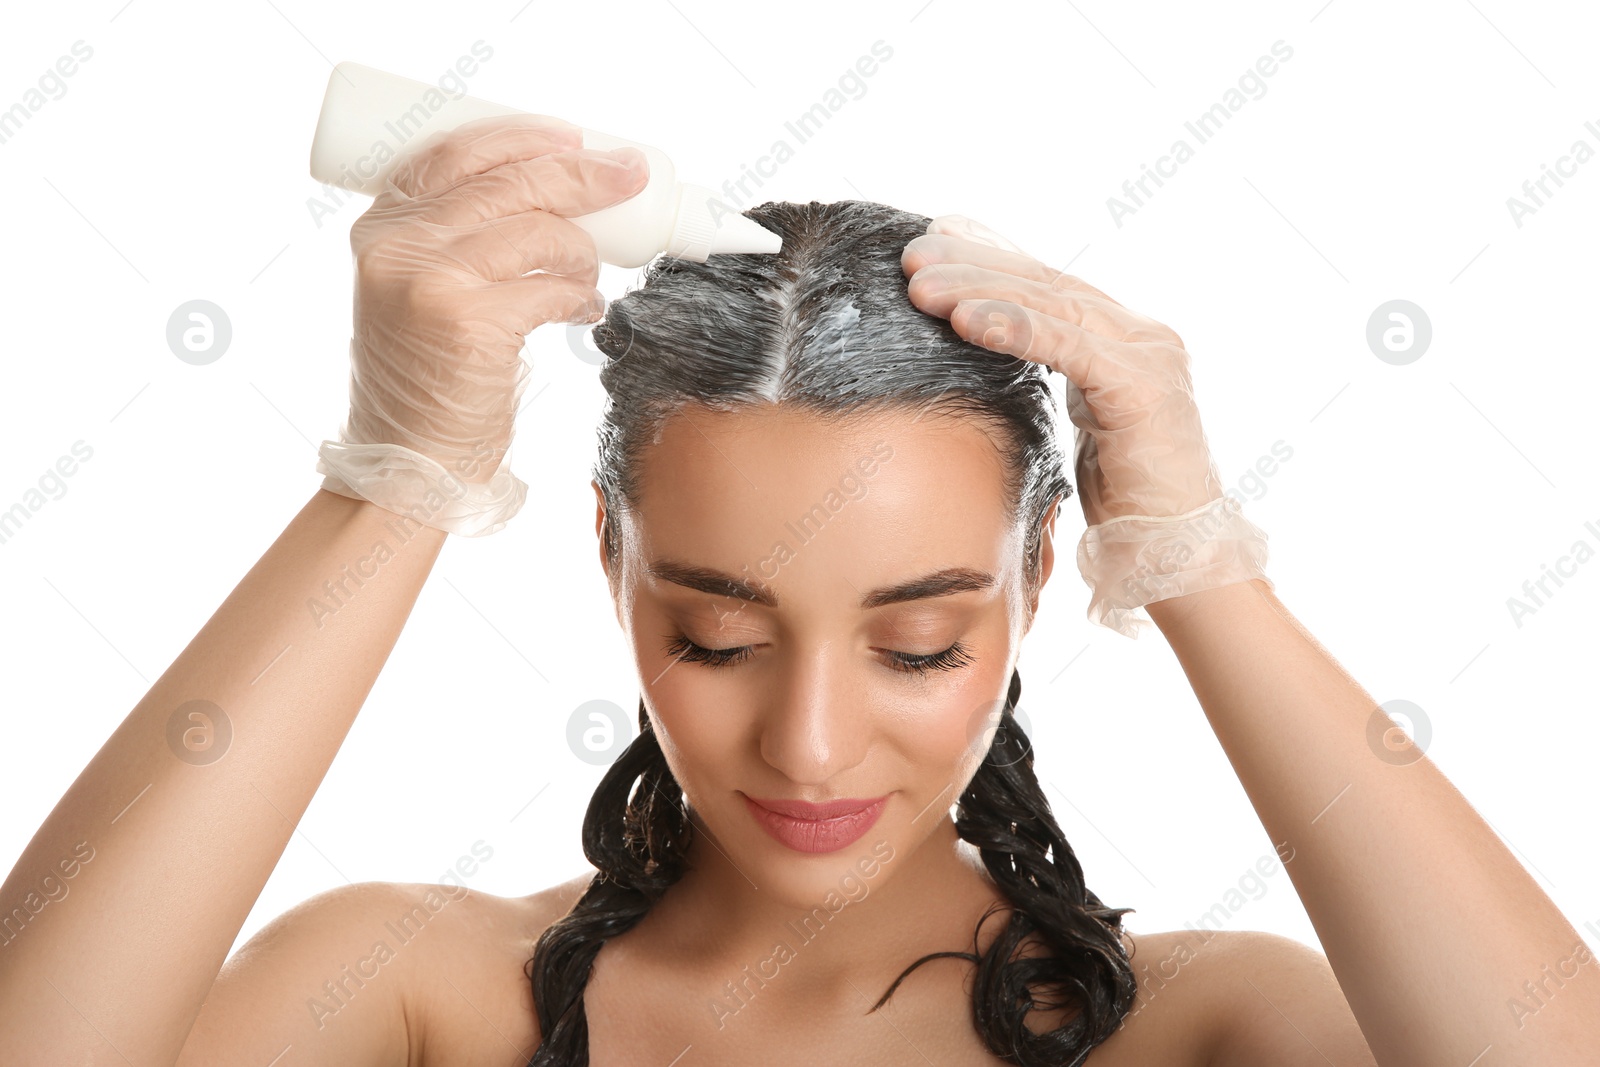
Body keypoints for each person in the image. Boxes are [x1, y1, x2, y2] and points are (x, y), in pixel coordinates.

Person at [1, 114, 1594, 1067]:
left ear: (1040, 576)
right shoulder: (422, 994)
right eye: (717, 637)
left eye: (916, 642)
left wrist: (1195, 556)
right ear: (606, 557)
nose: (811, 746)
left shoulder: (1199, 1029)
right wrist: (394, 483)